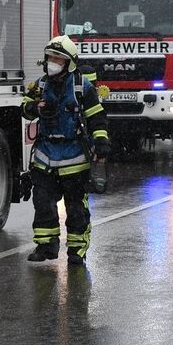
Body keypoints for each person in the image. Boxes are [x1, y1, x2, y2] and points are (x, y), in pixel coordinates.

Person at [21, 35, 110, 265]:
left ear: (68, 63)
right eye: (50, 57)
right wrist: (33, 107)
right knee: (42, 202)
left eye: (57, 59)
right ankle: (46, 246)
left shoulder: (82, 87)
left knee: (75, 207)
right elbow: (24, 108)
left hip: (74, 157)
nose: (52, 62)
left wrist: (101, 142)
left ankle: (76, 251)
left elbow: (97, 118)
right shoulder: (40, 85)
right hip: (45, 156)